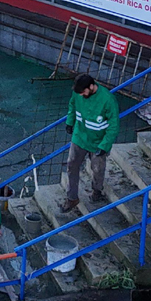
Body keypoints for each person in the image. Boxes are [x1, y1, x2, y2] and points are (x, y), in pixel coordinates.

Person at [60, 73, 120, 212]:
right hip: (80, 136)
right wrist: (70, 122)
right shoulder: (78, 94)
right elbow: (72, 106)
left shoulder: (108, 100)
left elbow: (113, 125)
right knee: (71, 166)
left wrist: (104, 146)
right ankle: (71, 198)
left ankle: (97, 190)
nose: (81, 95)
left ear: (91, 86)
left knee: (98, 169)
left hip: (98, 142)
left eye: (83, 92)